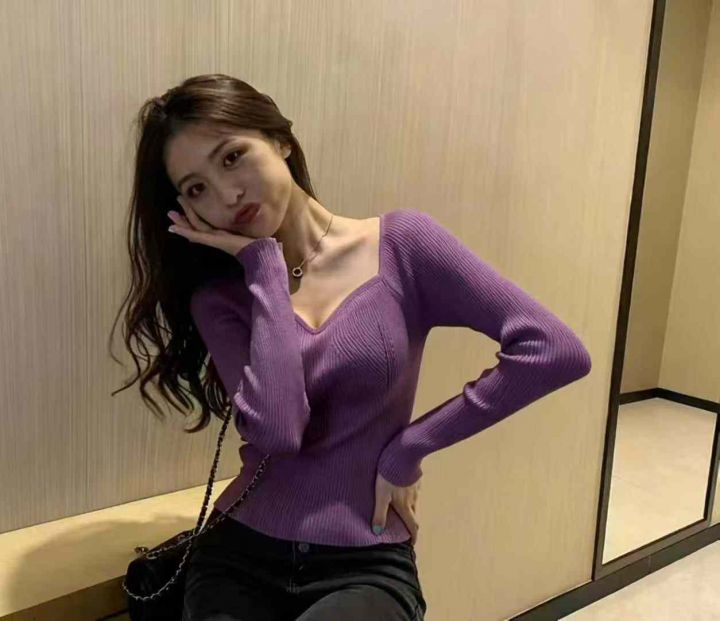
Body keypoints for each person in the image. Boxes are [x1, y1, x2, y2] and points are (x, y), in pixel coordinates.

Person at [113, 73, 592, 620]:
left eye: (232, 157)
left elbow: (552, 349)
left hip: (363, 559)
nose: (227, 194)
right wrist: (263, 265)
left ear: (279, 140)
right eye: (197, 188)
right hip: (240, 551)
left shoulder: (404, 247)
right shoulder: (222, 298)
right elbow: (279, 431)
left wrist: (410, 448)